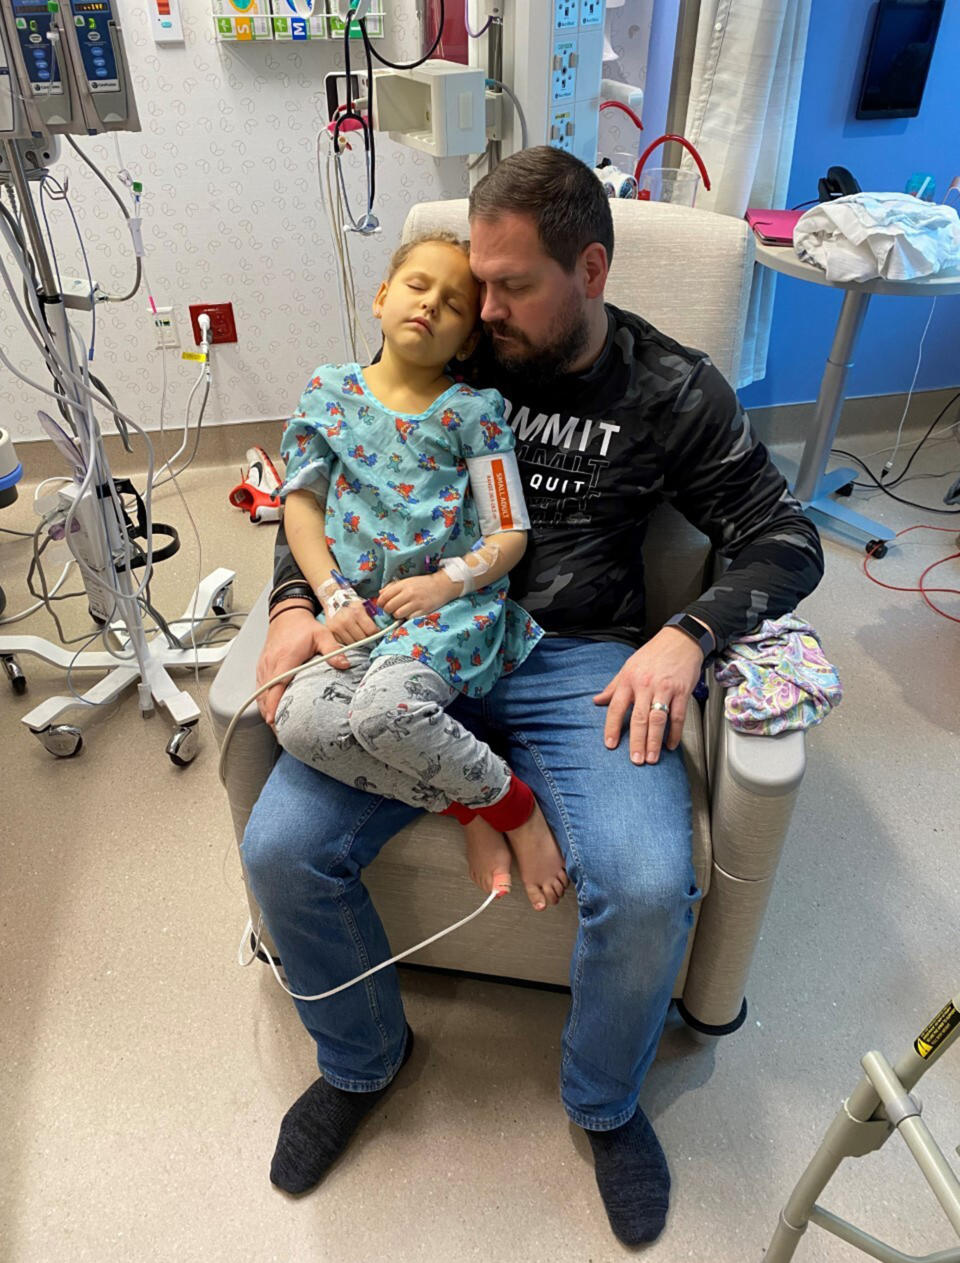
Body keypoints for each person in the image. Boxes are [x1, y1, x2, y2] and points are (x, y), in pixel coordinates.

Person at [242, 146, 824, 1246]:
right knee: (280, 852)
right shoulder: (456, 352)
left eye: (512, 286)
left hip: (575, 663)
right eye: (473, 279)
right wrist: (288, 601)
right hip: (410, 652)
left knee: (650, 886)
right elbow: (333, 481)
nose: (483, 307)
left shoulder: (669, 389)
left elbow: (786, 538)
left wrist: (688, 636)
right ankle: (363, 1060)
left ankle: (603, 1104)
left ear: (591, 269)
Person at [273, 231, 568, 911]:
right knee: (300, 723)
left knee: (385, 712)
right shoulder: (329, 392)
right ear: (381, 298)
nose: (430, 304)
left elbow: (509, 531)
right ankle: (469, 808)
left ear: (469, 340)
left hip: (450, 612)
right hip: (357, 612)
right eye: (416, 286)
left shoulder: (473, 413)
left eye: (454, 303)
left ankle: (514, 808)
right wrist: (329, 593)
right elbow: (302, 509)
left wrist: (449, 582)